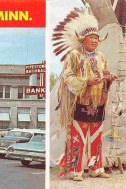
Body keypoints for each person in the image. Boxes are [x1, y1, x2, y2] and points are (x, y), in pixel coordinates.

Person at [52, 7, 117, 181]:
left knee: (96, 137)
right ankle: (76, 170)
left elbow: (104, 75)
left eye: (97, 38)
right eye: (91, 38)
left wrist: (108, 79)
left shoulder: (101, 57)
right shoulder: (74, 56)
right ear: (83, 40)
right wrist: (86, 82)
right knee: (78, 137)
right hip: (80, 102)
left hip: (98, 102)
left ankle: (96, 168)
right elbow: (68, 76)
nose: (95, 41)